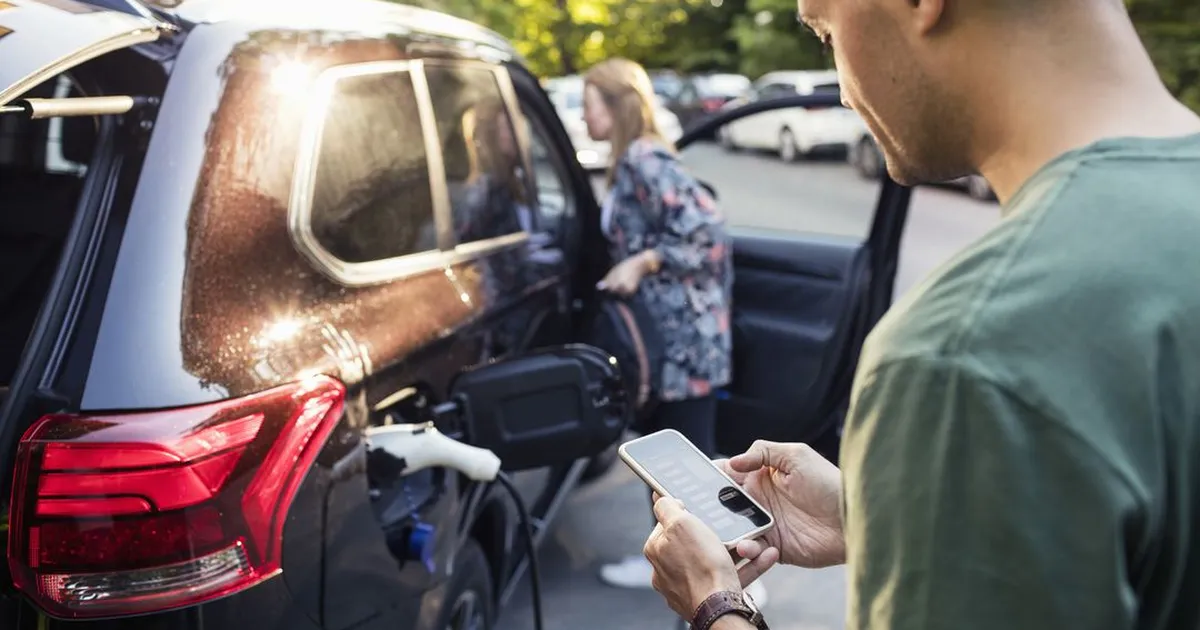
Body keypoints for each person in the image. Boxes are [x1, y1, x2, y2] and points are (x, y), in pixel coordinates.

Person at [642, 0, 1200, 628]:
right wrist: (875, 519)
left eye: (826, 29)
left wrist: (718, 606)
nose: (845, 93)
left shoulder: (966, 351)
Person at [581, 58, 749, 600]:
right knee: (671, 463)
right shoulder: (634, 158)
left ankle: (729, 577)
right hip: (670, 343)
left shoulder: (643, 158)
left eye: (590, 104)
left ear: (617, 105)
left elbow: (709, 231)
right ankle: (679, 564)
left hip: (683, 344)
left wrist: (645, 261)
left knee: (685, 465)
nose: (583, 115)